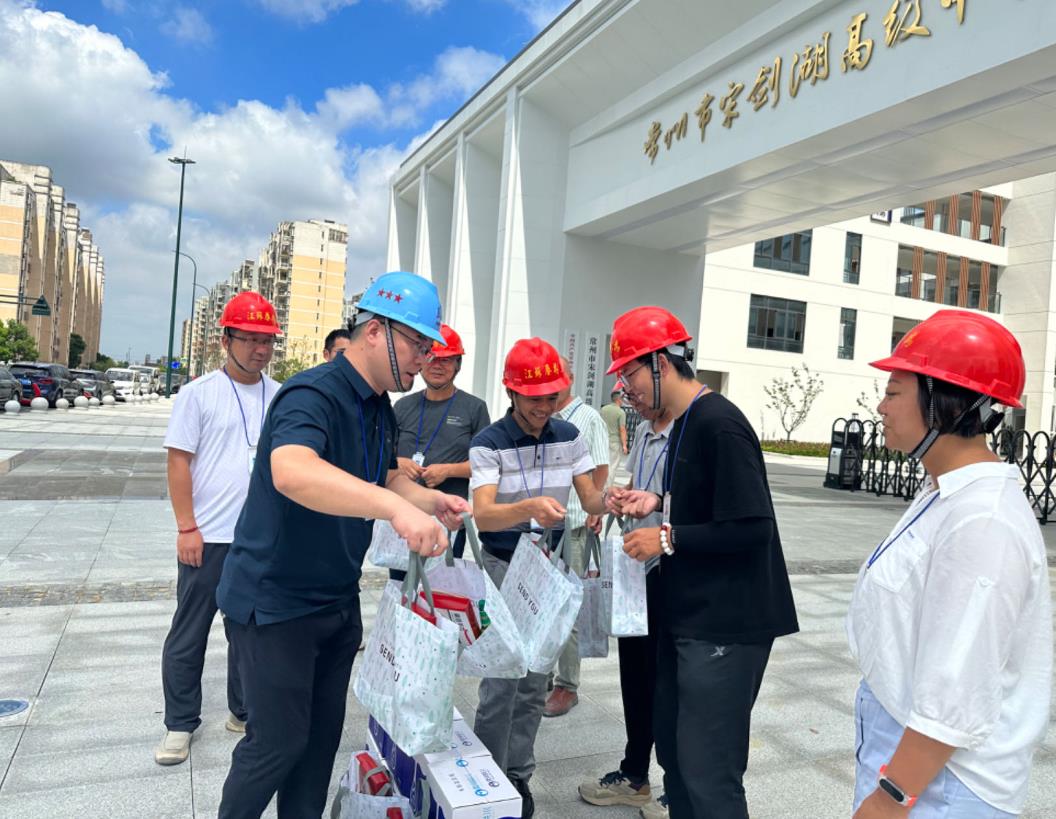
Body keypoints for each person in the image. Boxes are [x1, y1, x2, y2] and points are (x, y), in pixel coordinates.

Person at [215, 271, 470, 819]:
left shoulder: (378, 406)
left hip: (334, 599)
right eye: (418, 343)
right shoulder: (314, 392)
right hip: (275, 602)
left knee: (317, 745)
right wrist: (396, 510)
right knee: (276, 744)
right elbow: (293, 471)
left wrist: (428, 502)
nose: (426, 358)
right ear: (375, 331)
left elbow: (383, 477)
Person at [848, 310, 1051, 819]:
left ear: (943, 402)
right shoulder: (944, 493)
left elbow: (956, 690)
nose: (881, 406)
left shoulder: (983, 521)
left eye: (894, 392)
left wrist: (890, 799)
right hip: (910, 752)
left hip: (942, 784)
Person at [608, 306, 798, 819]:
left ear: (660, 363)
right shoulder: (684, 424)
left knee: (707, 769)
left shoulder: (719, 424)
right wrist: (656, 501)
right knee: (675, 756)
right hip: (687, 617)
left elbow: (752, 527)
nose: (626, 389)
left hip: (726, 625)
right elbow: (708, 502)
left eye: (629, 373)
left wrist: (666, 537)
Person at [470, 338, 608, 819]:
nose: (544, 408)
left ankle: (518, 774)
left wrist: (615, 499)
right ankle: (488, 778)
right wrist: (527, 509)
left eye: (552, 397)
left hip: (548, 567)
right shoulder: (489, 442)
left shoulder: (568, 435)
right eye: (534, 399)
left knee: (533, 683)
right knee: (500, 681)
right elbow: (484, 514)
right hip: (503, 566)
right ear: (511, 391)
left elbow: (590, 498)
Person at [155, 291, 281, 766]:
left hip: (259, 540)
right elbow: (178, 463)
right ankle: (179, 724)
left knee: (249, 634)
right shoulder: (198, 394)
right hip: (207, 538)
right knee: (189, 633)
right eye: (249, 339)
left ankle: (242, 711)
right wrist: (187, 527)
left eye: (267, 340)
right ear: (225, 340)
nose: (260, 349)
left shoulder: (281, 395)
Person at [578, 393, 673, 817]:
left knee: (668, 683)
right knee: (635, 676)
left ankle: (677, 788)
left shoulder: (688, 434)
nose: (630, 394)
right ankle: (635, 775)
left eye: (633, 381)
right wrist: (616, 501)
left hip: (674, 572)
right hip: (638, 568)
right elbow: (635, 482)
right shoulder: (647, 431)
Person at [544, 354, 609, 718]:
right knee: (540, 602)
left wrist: (592, 508)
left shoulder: (588, 417)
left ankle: (567, 684)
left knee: (568, 607)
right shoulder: (541, 414)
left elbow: (600, 467)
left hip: (572, 525)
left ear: (569, 378)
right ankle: (541, 673)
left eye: (559, 376)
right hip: (538, 526)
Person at [393, 323, 490, 562]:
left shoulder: (474, 408)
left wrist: (448, 470)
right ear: (420, 361)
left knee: (443, 582)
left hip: (449, 518)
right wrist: (398, 462)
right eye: (431, 357)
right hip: (404, 516)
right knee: (400, 579)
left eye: (446, 360)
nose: (437, 365)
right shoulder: (403, 406)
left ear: (458, 365)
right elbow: (381, 454)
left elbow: (486, 465)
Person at [600, 389, 628, 476]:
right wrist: (624, 445)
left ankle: (601, 483)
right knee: (612, 466)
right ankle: (608, 484)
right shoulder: (621, 412)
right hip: (614, 442)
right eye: (622, 399)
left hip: (603, 440)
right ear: (618, 399)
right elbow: (622, 429)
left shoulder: (603, 409)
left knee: (603, 464)